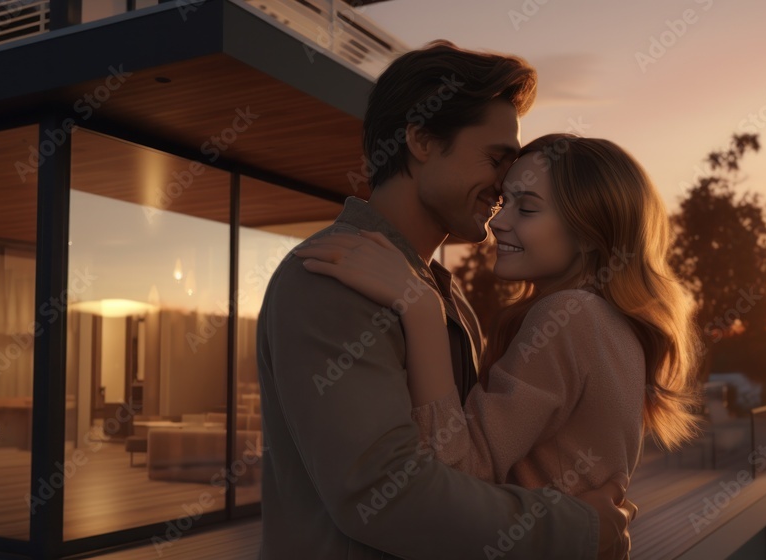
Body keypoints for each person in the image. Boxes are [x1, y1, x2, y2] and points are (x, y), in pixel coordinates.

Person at [257, 41, 634, 559]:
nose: (505, 185)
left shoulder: (444, 294)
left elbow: (469, 468)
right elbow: (386, 497)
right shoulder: (332, 277)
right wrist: (576, 529)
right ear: (422, 140)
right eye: (496, 159)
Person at [296, 133, 703, 544]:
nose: (498, 221)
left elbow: (457, 475)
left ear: (588, 234)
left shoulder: (569, 316)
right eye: (503, 202)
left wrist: (420, 310)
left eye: (526, 208)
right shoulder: (610, 323)